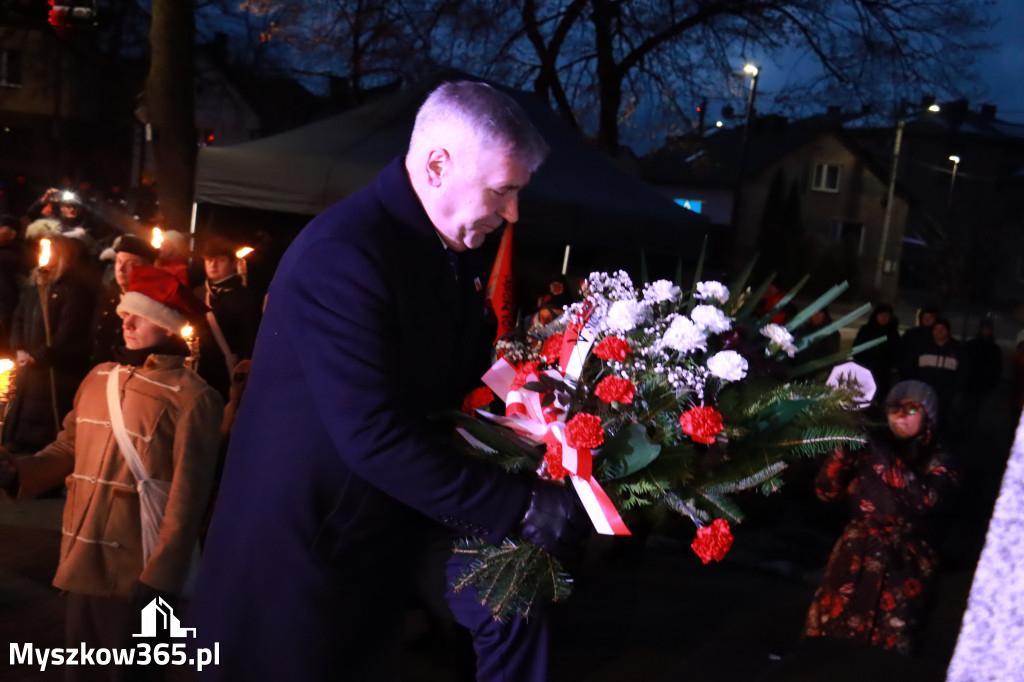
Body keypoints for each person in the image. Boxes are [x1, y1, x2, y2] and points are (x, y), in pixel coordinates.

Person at [188, 80, 590, 682]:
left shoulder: (434, 249)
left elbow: (443, 385)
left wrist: (536, 402)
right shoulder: (347, 253)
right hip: (298, 566)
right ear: (436, 165)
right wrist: (520, 505)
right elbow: (376, 436)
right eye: (502, 189)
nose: (512, 213)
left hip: (363, 545)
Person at [0, 266, 222, 682]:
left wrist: (161, 576)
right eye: (125, 313)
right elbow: (68, 447)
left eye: (142, 315)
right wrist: (17, 473)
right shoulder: (99, 378)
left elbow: (188, 499)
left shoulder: (195, 399)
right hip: (83, 557)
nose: (127, 321)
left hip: (137, 566)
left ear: (169, 325)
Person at [804, 380, 957, 654]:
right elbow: (825, 491)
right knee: (829, 648)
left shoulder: (940, 458)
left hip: (904, 566)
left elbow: (925, 500)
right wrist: (842, 451)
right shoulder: (870, 448)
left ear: (929, 416)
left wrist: (877, 452)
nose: (900, 416)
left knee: (885, 658)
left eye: (911, 410)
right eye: (894, 409)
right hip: (853, 559)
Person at [3, 236, 95, 454]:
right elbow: (20, 316)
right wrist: (20, 348)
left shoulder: (73, 289)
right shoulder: (36, 285)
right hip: (29, 365)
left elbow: (69, 329)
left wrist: (42, 356)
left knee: (44, 416)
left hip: (52, 370)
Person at [192, 235, 261, 400]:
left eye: (220, 260)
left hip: (227, 371)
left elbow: (249, 338)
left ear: (233, 263)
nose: (213, 265)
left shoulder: (246, 297)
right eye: (209, 260)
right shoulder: (198, 293)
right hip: (199, 368)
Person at [89, 234, 159, 366]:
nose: (121, 269)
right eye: (119, 262)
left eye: (130, 264)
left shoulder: (153, 306)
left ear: (148, 268)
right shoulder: (107, 298)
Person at [852, 302, 901, 404]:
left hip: (882, 374)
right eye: (881, 315)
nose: (883, 318)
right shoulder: (866, 330)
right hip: (865, 370)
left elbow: (896, 353)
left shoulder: (893, 334)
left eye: (886, 316)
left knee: (879, 398)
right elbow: (857, 349)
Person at [899, 306, 939, 379]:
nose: (927, 319)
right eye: (924, 316)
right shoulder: (911, 334)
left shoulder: (938, 335)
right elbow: (901, 351)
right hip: (909, 373)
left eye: (930, 317)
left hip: (930, 374)